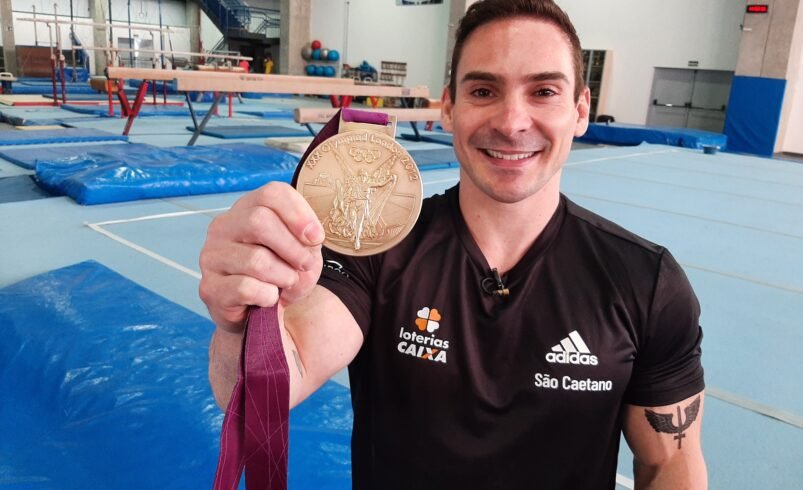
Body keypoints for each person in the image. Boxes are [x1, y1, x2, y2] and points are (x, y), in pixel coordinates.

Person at [200, 0, 707, 488]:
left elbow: (669, 465)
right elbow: (270, 380)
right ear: (449, 108)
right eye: (484, 91)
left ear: (580, 110)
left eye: (544, 92)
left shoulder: (645, 281)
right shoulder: (375, 248)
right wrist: (241, 315)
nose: (511, 123)